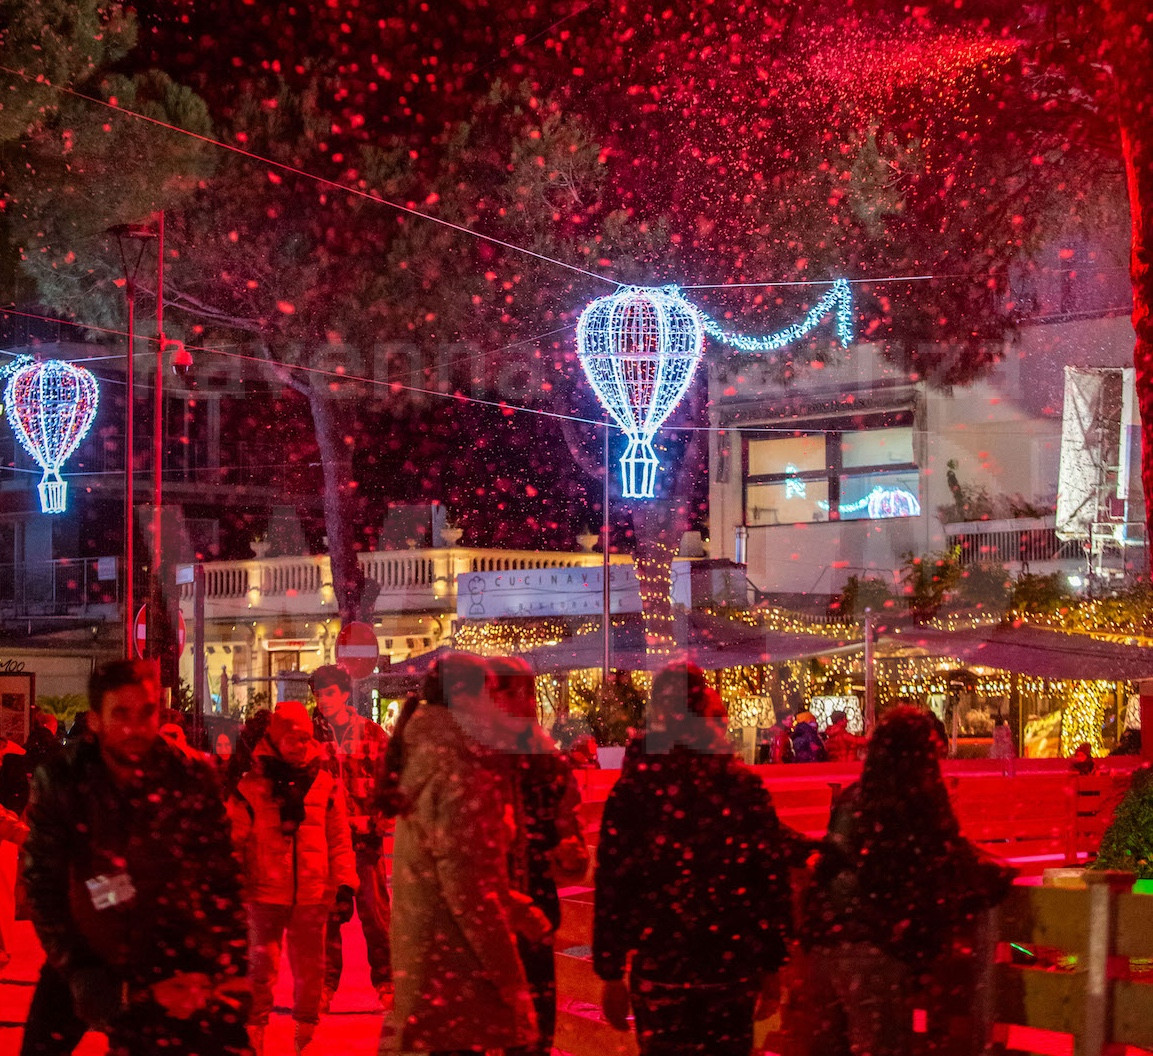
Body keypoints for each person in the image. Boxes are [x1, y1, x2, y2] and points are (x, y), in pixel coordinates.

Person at [20, 660, 251, 1056]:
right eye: (121, 714)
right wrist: (77, 966)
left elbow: (220, 877)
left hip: (169, 948)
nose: (135, 727)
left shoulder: (189, 777)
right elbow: (45, 884)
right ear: (96, 720)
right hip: (87, 939)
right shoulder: (64, 780)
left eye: (146, 713)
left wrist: (231, 967)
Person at [593, 661, 797, 1056]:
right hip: (728, 967)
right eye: (716, 716)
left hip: (662, 967)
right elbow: (768, 881)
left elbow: (614, 884)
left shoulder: (636, 789)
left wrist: (611, 969)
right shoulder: (738, 787)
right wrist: (772, 962)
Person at [800, 706, 1015, 1056]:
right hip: (874, 950)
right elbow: (946, 862)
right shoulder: (916, 801)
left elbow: (836, 864)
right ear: (923, 754)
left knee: (830, 1046)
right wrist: (994, 877)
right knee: (881, 1046)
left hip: (825, 946)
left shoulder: (855, 798)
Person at [380, 652, 537, 1055]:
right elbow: (468, 889)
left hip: (429, 977)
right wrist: (513, 985)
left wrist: (508, 901)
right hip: (459, 989)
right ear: (468, 699)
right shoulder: (460, 765)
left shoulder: (430, 751)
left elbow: (450, 867)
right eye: (491, 692)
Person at [228, 700, 358, 1056]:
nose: (300, 745)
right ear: (276, 738)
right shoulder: (252, 787)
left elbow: (339, 840)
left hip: (312, 893)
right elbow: (234, 840)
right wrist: (233, 883)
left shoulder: (324, 785)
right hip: (264, 891)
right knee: (260, 970)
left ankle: (306, 1038)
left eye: (305, 738)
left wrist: (345, 884)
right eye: (292, 738)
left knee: (311, 972)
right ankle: (255, 1036)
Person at [490, 656, 590, 1056]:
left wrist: (568, 855)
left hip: (533, 918)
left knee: (534, 1035)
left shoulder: (547, 764)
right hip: (483, 925)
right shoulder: (469, 760)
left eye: (528, 693)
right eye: (513, 692)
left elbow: (569, 840)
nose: (525, 702)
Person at [307, 664, 393, 1009]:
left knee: (375, 916)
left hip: (364, 840)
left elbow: (391, 781)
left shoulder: (371, 734)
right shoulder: (310, 737)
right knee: (327, 918)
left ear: (345, 694)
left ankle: (386, 982)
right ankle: (325, 986)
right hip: (326, 841)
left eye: (329, 693)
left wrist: (380, 823)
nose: (323, 700)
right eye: (318, 694)